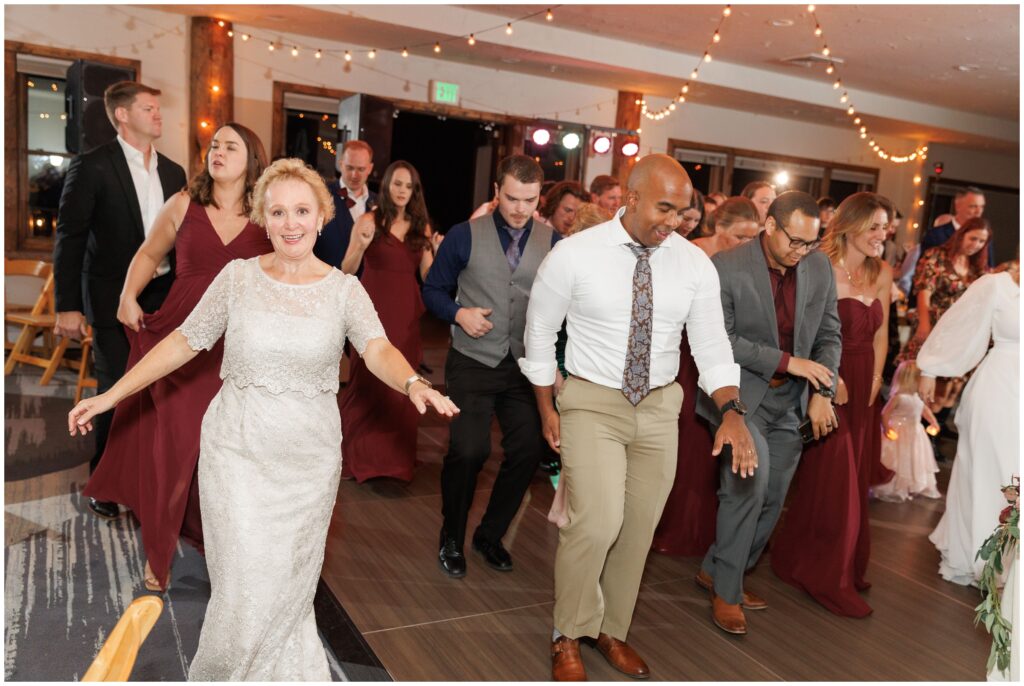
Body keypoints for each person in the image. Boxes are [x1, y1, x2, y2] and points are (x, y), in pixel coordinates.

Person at [68, 158, 458, 680]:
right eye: (278, 212)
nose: (290, 223)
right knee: (242, 588)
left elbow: (377, 347)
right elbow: (184, 341)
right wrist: (111, 395)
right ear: (263, 219)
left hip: (306, 464)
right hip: (237, 453)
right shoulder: (238, 278)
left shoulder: (343, 290)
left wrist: (413, 382)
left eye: (301, 210)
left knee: (286, 589)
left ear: (322, 217)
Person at [521, 154, 754, 681]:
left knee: (638, 526)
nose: (674, 222)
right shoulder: (575, 255)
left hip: (658, 407)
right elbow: (538, 332)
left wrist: (731, 409)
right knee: (596, 520)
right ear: (630, 199)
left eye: (683, 211)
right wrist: (545, 406)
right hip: (591, 401)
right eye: (664, 208)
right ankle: (568, 633)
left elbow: (712, 342)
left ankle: (610, 629)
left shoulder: (693, 263)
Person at [81, 123, 270, 591]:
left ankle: (214, 536)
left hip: (237, 351)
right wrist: (128, 294)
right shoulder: (184, 204)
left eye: (231, 146)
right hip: (180, 345)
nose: (218, 151)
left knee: (225, 455)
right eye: (214, 145)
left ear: (253, 159)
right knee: (175, 449)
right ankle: (158, 555)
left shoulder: (269, 214)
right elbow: (148, 254)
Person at [696, 190, 841, 635]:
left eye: (810, 243)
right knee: (748, 486)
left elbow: (830, 334)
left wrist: (824, 391)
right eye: (794, 241)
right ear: (770, 226)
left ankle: (720, 568)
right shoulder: (727, 267)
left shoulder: (818, 266)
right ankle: (726, 590)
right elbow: (722, 339)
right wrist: (786, 362)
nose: (801, 252)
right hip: (738, 398)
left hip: (791, 400)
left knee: (774, 496)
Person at [53, 81, 187, 520]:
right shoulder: (91, 167)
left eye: (157, 108)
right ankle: (105, 481)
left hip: (164, 296)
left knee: (159, 389)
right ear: (123, 116)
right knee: (116, 389)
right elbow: (70, 238)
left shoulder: (174, 172)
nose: (158, 115)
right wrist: (67, 305)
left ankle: (150, 477)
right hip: (110, 297)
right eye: (149, 108)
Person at [422, 154, 558, 578]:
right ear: (497, 191)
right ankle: (452, 534)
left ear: (540, 198)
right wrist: (459, 313)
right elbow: (433, 291)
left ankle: (490, 535)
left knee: (528, 449)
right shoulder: (465, 235)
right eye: (512, 198)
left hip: (523, 366)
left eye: (530, 200)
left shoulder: (554, 243)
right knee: (469, 449)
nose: (520, 209)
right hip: (473, 361)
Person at [770, 191, 894, 618]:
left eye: (886, 227)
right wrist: (829, 375)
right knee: (835, 479)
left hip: (866, 387)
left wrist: (877, 378)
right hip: (828, 381)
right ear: (852, 224)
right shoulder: (818, 266)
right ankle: (828, 577)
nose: (882, 234)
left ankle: (798, 558)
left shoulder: (882, 273)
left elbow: (882, 335)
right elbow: (801, 329)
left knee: (850, 478)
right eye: (874, 225)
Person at [653, 195, 760, 558]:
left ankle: (699, 531)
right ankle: (665, 525)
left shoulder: (746, 266)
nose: (748, 245)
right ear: (718, 228)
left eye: (753, 238)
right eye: (741, 237)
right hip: (683, 358)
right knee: (682, 441)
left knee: (706, 451)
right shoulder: (692, 254)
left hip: (720, 362)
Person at [919, 264, 1019, 587]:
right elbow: (958, 325)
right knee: (994, 470)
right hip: (997, 390)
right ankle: (987, 560)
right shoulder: (996, 286)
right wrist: (930, 368)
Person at [338, 161, 438, 483]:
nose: (402, 191)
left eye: (408, 186)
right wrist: (364, 244)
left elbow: (429, 277)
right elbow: (346, 269)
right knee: (367, 381)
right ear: (387, 185)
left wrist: (437, 251)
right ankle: (360, 457)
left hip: (405, 312)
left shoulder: (421, 226)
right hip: (371, 308)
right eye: (397, 184)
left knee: (402, 381)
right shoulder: (369, 220)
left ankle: (395, 461)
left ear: (414, 191)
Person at [873, 361, 942, 502]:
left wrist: (934, 423)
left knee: (912, 459)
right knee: (896, 459)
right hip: (898, 433)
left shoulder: (918, 398)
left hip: (915, 434)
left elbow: (926, 412)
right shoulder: (898, 397)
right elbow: (885, 413)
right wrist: (887, 428)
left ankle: (909, 485)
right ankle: (892, 485)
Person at [313, 139, 377, 270]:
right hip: (326, 279)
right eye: (350, 168)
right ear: (340, 164)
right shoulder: (321, 195)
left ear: (370, 168)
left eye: (361, 169)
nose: (355, 175)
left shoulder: (379, 202)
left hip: (366, 285)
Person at [919, 186, 992, 266]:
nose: (979, 211)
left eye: (982, 207)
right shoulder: (935, 235)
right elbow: (922, 266)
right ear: (958, 206)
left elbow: (988, 268)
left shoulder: (983, 237)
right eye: (973, 206)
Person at [691, 196, 760, 255]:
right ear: (719, 227)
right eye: (740, 237)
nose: (746, 244)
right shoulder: (694, 251)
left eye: (752, 238)